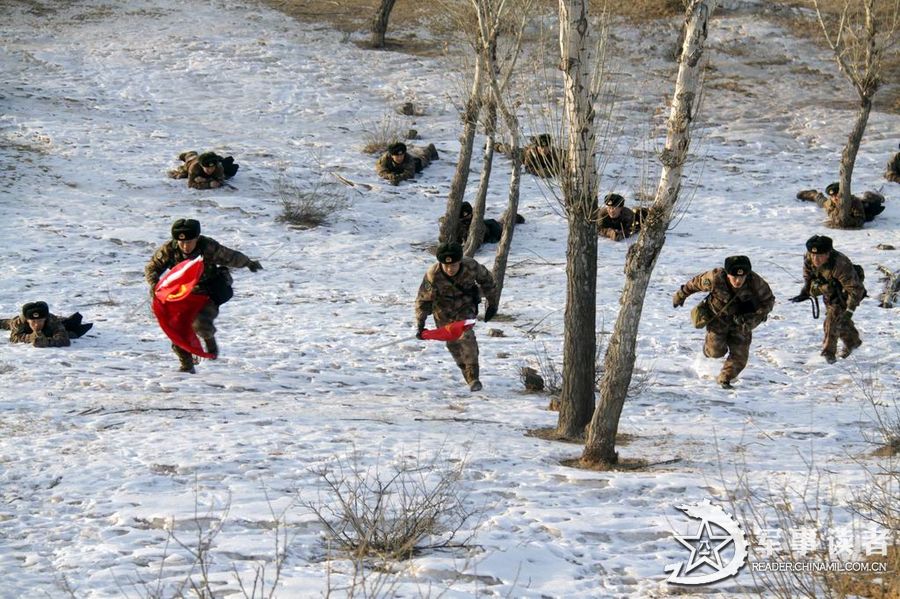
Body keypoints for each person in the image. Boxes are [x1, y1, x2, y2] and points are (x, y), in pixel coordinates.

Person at [145, 218, 263, 373]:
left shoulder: (208, 246)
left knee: (200, 323)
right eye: (182, 243)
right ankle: (187, 365)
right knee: (178, 329)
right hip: (183, 293)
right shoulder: (169, 249)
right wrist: (155, 286)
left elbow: (230, 256)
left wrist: (248, 263)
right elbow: (152, 268)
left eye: (190, 242)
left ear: (197, 238)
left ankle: (210, 342)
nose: (185, 246)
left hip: (209, 291)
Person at [673, 255, 775, 389]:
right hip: (718, 320)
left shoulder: (755, 282)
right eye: (734, 277)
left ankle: (724, 379)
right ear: (727, 274)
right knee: (716, 352)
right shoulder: (715, 278)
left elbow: (769, 301)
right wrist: (680, 295)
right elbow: (695, 284)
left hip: (742, 323)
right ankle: (707, 350)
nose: (738, 280)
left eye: (742, 277)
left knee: (740, 357)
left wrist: (753, 319)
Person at [415, 242, 498, 391]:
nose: (449, 268)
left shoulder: (471, 266)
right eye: (446, 265)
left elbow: (488, 282)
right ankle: (467, 374)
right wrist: (420, 323)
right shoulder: (433, 275)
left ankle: (474, 376)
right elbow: (423, 300)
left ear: (460, 261)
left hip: (465, 307)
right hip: (443, 312)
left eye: (453, 265)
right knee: (453, 345)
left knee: (466, 336)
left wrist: (492, 304)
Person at [789, 235, 865, 364]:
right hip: (828, 290)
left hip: (845, 292)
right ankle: (853, 341)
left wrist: (850, 310)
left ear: (828, 254)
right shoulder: (809, 256)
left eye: (819, 256)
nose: (815, 259)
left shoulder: (840, 264)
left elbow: (856, 289)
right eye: (813, 255)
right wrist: (805, 291)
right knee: (839, 320)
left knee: (831, 320)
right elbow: (808, 273)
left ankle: (828, 355)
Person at [796, 182, 882, 227]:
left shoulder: (854, 202)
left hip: (866, 207)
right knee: (821, 201)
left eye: (837, 195)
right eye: (832, 196)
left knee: (872, 204)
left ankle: (875, 196)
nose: (835, 198)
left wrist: (847, 220)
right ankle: (813, 193)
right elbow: (824, 203)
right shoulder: (831, 202)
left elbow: (860, 220)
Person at [449, 201, 525, 250]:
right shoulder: (459, 223)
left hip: (493, 230)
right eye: (464, 218)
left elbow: (475, 243)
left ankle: (511, 215)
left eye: (468, 216)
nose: (466, 218)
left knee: (505, 224)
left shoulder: (477, 224)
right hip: (487, 226)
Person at [1, 302, 72, 347]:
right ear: (27, 320)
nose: (36, 325)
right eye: (33, 321)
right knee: (7, 324)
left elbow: (65, 340)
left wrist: (47, 342)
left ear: (45, 319)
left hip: (52, 325)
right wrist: (30, 338)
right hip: (16, 324)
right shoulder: (19, 321)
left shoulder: (52, 320)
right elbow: (14, 338)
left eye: (40, 321)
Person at [168, 151, 237, 189]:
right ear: (201, 166)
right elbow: (191, 184)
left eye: (212, 168)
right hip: (191, 161)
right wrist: (208, 185)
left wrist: (206, 180)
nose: (210, 170)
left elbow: (221, 180)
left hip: (202, 163)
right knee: (182, 174)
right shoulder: (194, 167)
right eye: (207, 168)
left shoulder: (218, 167)